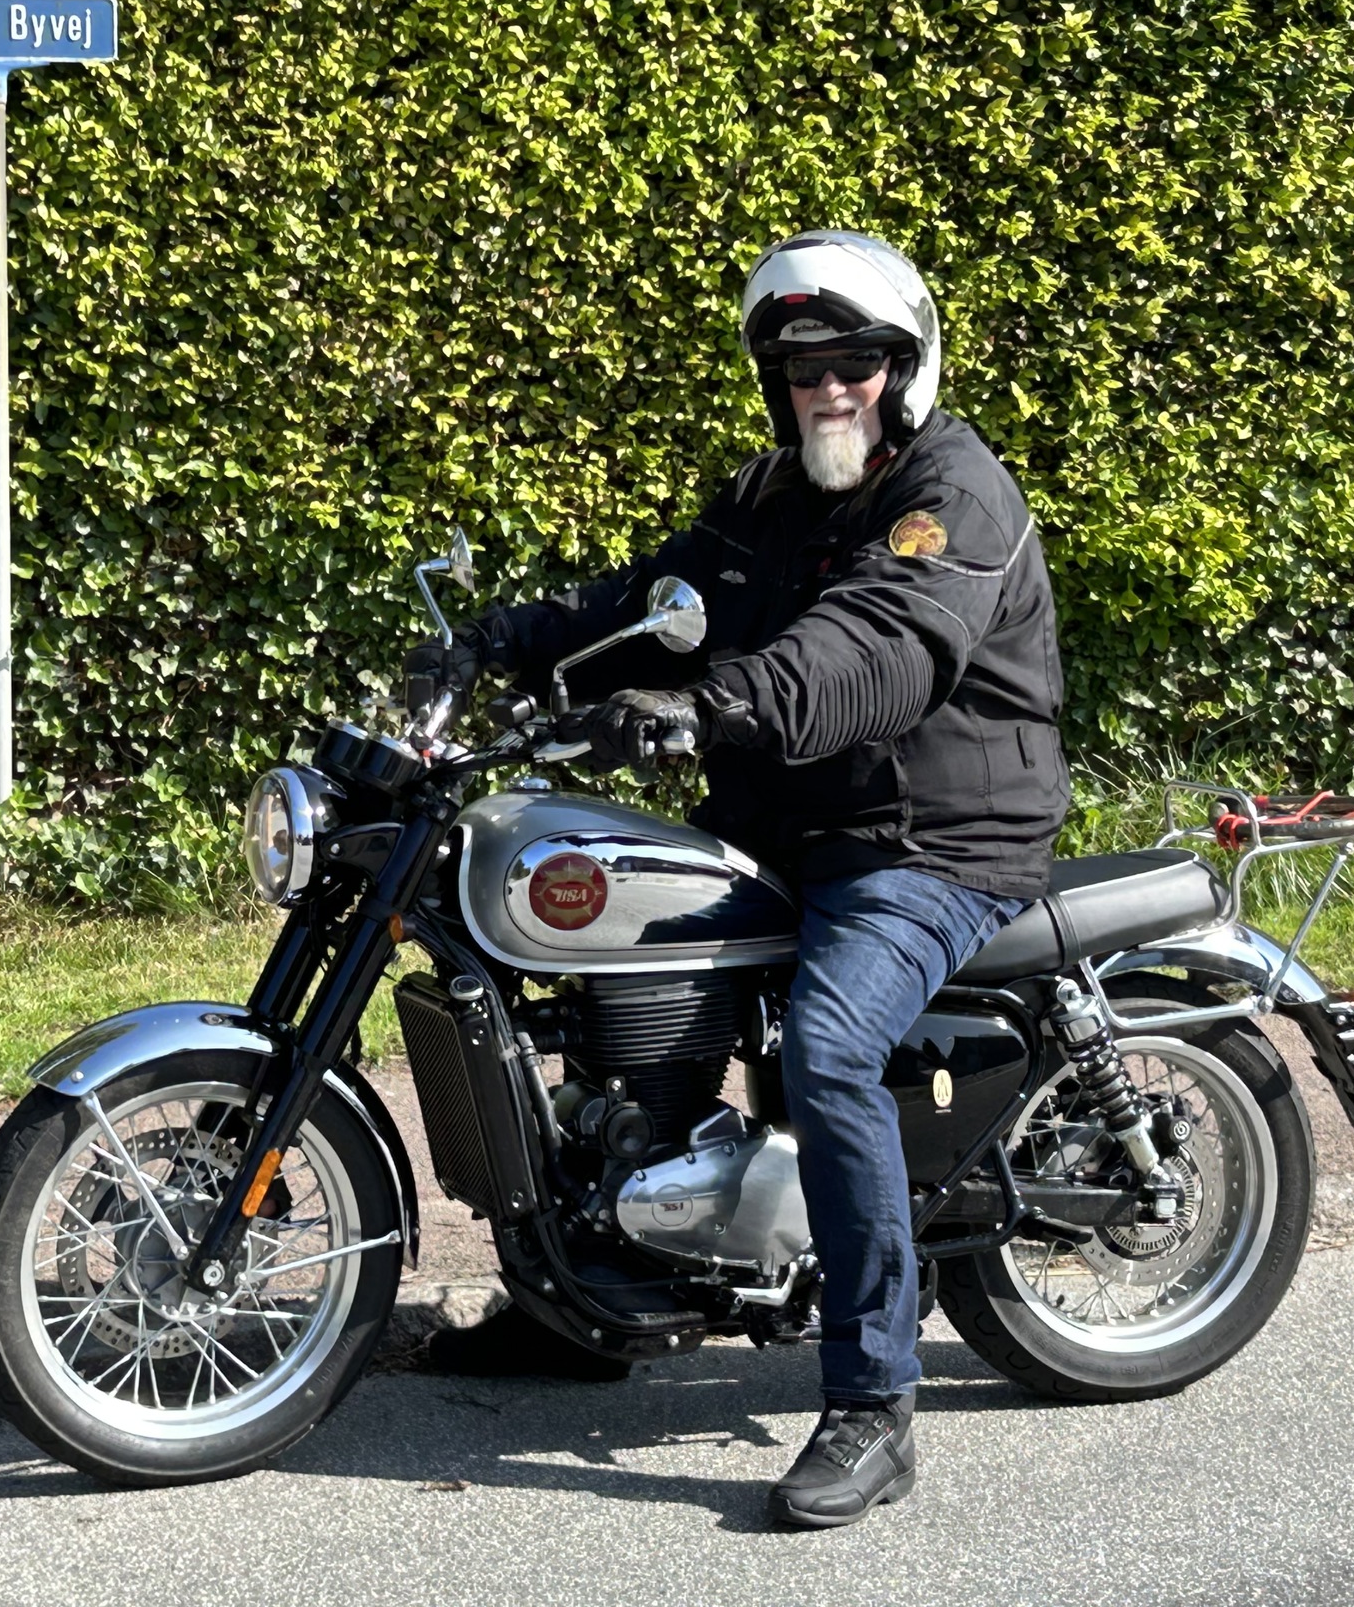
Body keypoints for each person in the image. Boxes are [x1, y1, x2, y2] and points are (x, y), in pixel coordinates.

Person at [405, 230, 1069, 1531]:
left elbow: (872, 647)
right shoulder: (769, 496)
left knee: (828, 1048)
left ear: (903, 367)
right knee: (599, 986)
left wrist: (704, 710)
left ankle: (873, 1405)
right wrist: (496, 644)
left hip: (928, 841)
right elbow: (653, 606)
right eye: (801, 368)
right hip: (789, 826)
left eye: (853, 362)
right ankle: (582, 1304)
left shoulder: (952, 496)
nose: (827, 387)